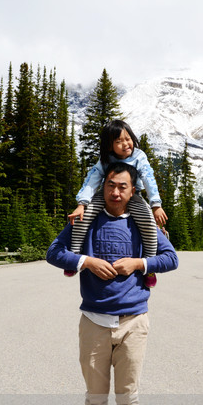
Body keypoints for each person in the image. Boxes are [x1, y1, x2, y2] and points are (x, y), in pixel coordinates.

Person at [47, 163, 178, 405]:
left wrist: (139, 263)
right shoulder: (86, 220)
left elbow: (171, 258)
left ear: (132, 192)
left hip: (133, 322)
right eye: (111, 185)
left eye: (122, 187)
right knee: (95, 398)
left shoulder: (144, 223)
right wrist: (87, 262)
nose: (115, 193)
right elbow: (53, 253)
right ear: (102, 187)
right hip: (94, 322)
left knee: (128, 398)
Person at [65, 120, 167, 290]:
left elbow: (149, 178)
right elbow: (92, 180)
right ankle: (74, 256)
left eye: (128, 138)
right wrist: (81, 203)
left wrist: (155, 205)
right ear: (110, 146)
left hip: (133, 195)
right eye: (118, 142)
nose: (125, 144)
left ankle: (149, 265)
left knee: (148, 221)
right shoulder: (105, 159)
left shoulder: (139, 156)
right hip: (106, 195)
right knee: (85, 215)